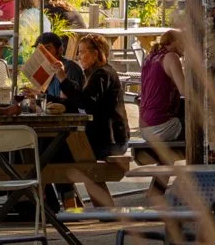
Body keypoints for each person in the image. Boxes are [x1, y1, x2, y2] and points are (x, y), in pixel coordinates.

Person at [69, 32, 125, 160]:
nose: (79, 57)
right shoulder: (93, 73)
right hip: (106, 139)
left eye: (82, 52)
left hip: (111, 142)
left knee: (62, 153)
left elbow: (85, 102)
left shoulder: (103, 74)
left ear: (95, 54)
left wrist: (63, 79)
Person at [137, 28, 189, 159]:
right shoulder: (172, 57)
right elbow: (185, 91)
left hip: (145, 126)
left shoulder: (150, 57)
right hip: (162, 126)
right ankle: (199, 175)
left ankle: (162, 179)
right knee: (203, 130)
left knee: (168, 159)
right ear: (175, 42)